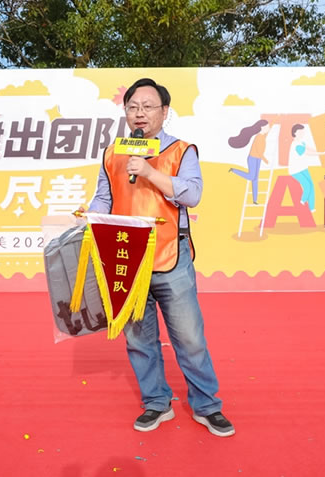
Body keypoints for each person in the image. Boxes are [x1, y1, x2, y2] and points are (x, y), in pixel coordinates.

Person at [84, 77, 234, 437]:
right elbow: (105, 196)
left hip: (170, 256)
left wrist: (150, 172)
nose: (140, 113)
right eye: (133, 107)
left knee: (190, 338)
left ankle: (207, 406)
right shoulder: (113, 153)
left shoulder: (182, 151)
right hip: (126, 258)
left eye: (148, 107)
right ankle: (156, 402)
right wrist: (90, 218)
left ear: (164, 112)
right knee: (139, 339)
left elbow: (192, 195)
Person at [228, 119, 271, 204]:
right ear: (262, 127)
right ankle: (234, 170)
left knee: (255, 179)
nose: (269, 128)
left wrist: (275, 119)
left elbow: (270, 128)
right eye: (267, 127)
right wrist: (266, 160)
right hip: (253, 158)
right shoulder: (258, 137)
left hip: (258, 159)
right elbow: (259, 151)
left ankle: (255, 200)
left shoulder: (263, 135)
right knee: (251, 177)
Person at [287, 124, 325, 213]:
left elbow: (310, 149)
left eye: (303, 132)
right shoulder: (296, 145)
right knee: (307, 186)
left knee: (312, 185)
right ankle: (302, 200)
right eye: (300, 132)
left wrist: (320, 151)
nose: (302, 133)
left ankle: (312, 208)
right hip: (295, 170)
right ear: (295, 133)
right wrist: (321, 154)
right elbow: (308, 153)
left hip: (303, 168)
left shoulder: (301, 142)